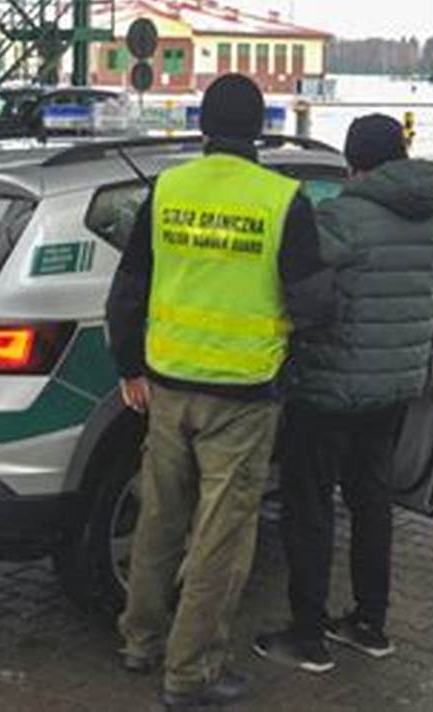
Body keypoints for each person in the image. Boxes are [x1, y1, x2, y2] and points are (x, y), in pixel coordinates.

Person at [105, 74, 332, 708]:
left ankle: (140, 640)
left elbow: (129, 286)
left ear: (204, 124)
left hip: (167, 385)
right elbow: (312, 303)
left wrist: (130, 367)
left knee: (159, 518)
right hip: (242, 393)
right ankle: (191, 673)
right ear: (258, 127)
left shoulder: (168, 189)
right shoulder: (282, 199)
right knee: (219, 538)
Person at [253, 114, 433, 673]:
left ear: (353, 163)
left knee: (310, 508)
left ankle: (308, 634)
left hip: (328, 387)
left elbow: (295, 281)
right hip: (394, 388)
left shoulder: (340, 216)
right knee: (371, 503)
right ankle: (369, 623)